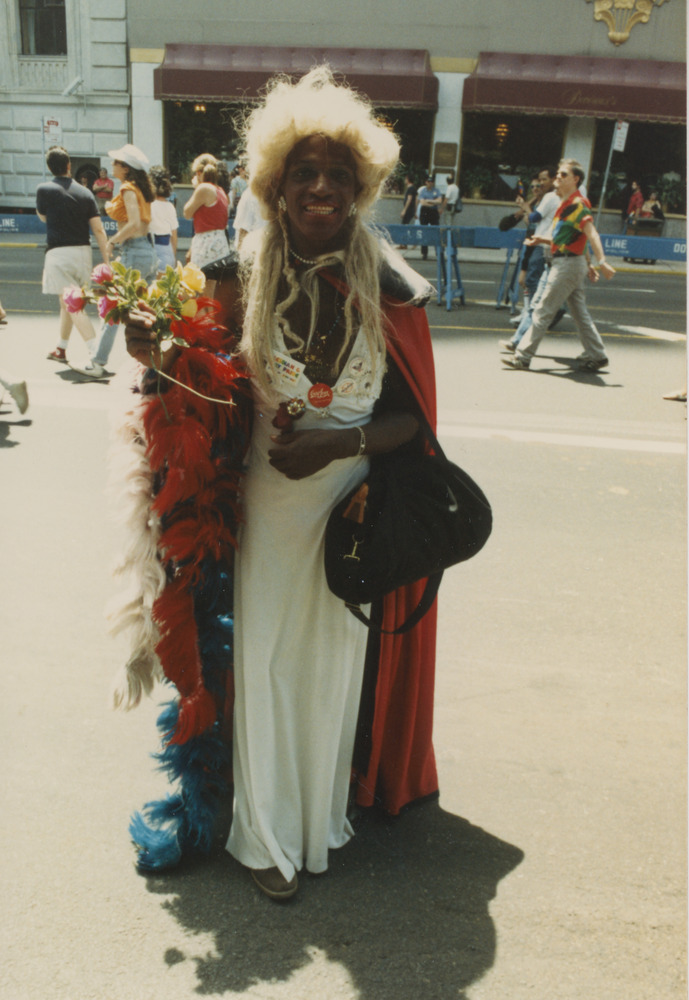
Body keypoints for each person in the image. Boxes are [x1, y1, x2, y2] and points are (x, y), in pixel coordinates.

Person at [121, 65, 440, 901]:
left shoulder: (393, 286)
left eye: (340, 172)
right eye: (304, 171)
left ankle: (316, 821)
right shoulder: (234, 270)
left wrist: (347, 444)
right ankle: (263, 835)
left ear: (362, 184)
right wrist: (154, 355)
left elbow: (417, 425)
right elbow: (195, 385)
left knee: (329, 673)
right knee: (259, 665)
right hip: (260, 517)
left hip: (351, 514)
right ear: (273, 183)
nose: (322, 187)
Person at [502, 158, 615, 372]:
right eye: (558, 174)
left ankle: (523, 356)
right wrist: (541, 241)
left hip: (566, 266)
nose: (558, 178)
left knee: (543, 310)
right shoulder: (565, 204)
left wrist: (602, 262)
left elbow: (591, 233)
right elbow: (570, 239)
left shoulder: (578, 205)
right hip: (570, 263)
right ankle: (598, 355)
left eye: (563, 175)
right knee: (580, 313)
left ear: (576, 179)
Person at [71, 144, 157, 379]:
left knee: (113, 309)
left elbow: (134, 223)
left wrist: (112, 241)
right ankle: (153, 364)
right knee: (144, 311)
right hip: (147, 251)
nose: (112, 166)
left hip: (134, 250)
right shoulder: (141, 189)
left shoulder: (129, 188)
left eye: (116, 163)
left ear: (126, 169)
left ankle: (97, 362)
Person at [35, 145, 110, 366]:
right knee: (67, 303)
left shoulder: (44, 190)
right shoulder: (86, 193)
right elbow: (98, 229)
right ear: (69, 165)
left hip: (59, 254)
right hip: (83, 254)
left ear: (50, 167)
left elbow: (42, 218)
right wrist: (107, 261)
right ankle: (61, 347)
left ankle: (95, 352)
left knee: (71, 304)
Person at [501, 165, 561, 348]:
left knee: (535, 289)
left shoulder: (551, 197)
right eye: (535, 185)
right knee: (531, 284)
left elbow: (533, 219)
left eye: (542, 181)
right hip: (537, 245)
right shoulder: (546, 198)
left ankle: (534, 319)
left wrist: (526, 207)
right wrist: (524, 208)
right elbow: (508, 224)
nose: (538, 186)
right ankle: (536, 315)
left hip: (540, 245)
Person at [183, 153, 230, 299]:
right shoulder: (220, 190)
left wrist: (197, 186)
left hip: (205, 242)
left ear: (198, 173)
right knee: (212, 293)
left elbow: (186, 213)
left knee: (196, 291)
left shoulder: (203, 188)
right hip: (220, 242)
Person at [148, 165, 179, 272]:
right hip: (167, 250)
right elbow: (174, 235)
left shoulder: (148, 205)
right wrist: (173, 256)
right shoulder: (170, 206)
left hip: (152, 248)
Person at [417, 174, 442, 259]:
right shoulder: (423, 191)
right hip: (425, 212)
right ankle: (424, 253)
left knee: (436, 231)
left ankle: (438, 252)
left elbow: (439, 201)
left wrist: (428, 200)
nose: (430, 183)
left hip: (434, 212)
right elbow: (422, 202)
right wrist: (433, 202)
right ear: (425, 182)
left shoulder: (437, 191)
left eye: (431, 182)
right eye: (428, 181)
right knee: (424, 232)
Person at [396, 172, 417, 249]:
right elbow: (415, 201)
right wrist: (415, 212)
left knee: (404, 226)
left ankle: (404, 244)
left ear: (408, 180)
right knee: (405, 225)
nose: (405, 180)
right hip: (410, 210)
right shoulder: (412, 188)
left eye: (405, 179)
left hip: (408, 210)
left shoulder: (411, 189)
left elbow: (409, 200)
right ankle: (403, 244)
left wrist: (404, 210)